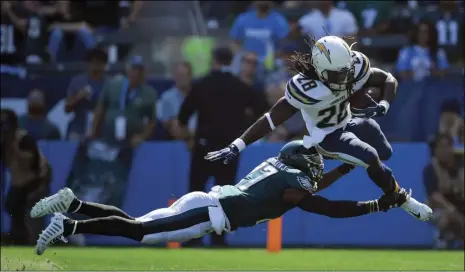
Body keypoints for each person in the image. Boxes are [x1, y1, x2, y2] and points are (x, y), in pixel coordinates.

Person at [31, 140, 408, 255]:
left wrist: (342, 170)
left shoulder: (281, 170)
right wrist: (375, 205)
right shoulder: (293, 182)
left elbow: (307, 193)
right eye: (317, 163)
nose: (317, 168)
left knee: (137, 223)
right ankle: (68, 222)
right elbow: (323, 208)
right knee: (138, 232)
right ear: (303, 161)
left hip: (206, 203)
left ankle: (73, 203)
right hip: (209, 213)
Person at [205, 35, 433, 222]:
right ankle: (402, 199)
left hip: (349, 121)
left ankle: (367, 170)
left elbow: (388, 79)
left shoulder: (352, 67)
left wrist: (383, 104)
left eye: (347, 71)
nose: (345, 78)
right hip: (327, 136)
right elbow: (271, 119)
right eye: (338, 74)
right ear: (321, 71)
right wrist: (238, 144)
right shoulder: (306, 89)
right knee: (370, 157)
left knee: (385, 154)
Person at [174, 47, 263, 247]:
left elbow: (183, 116)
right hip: (229, 148)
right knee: (223, 195)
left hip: (204, 146)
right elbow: (260, 109)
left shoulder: (202, 84)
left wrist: (188, 136)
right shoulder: (241, 86)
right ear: (231, 61)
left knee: (196, 194)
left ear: (214, 59)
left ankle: (193, 238)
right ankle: (219, 238)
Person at [1, 109, 52, 245]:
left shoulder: (24, 140)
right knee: (12, 206)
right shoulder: (3, 143)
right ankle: (18, 238)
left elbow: (30, 165)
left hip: (37, 181)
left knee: (33, 214)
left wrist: (14, 148)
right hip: (19, 185)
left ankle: (34, 242)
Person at [90, 56, 156, 147]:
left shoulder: (149, 93)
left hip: (132, 140)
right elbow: (100, 109)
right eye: (134, 69)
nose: (136, 73)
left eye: (140, 70)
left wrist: (141, 137)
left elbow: (152, 122)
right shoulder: (113, 85)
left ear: (144, 72)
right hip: (109, 136)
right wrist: (93, 132)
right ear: (127, 69)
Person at [423, 134, 464, 248]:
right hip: (441, 209)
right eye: (441, 147)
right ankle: (442, 238)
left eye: (448, 147)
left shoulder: (461, 165)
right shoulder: (431, 169)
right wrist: (451, 209)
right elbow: (434, 196)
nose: (445, 151)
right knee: (446, 218)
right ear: (435, 150)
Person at [65, 48, 109, 141]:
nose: (96, 66)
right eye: (93, 62)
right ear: (87, 64)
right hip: (79, 127)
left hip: (101, 130)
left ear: (104, 65)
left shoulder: (109, 83)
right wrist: (78, 97)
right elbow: (67, 108)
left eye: (99, 63)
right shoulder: (78, 81)